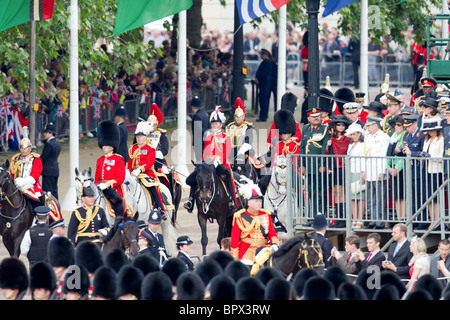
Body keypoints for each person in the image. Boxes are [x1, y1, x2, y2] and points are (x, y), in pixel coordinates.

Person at [184, 106, 237, 212]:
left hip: (220, 163)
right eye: (213, 124)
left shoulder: (226, 137)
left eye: (216, 124)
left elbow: (226, 153)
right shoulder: (208, 137)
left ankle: (232, 199)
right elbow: (205, 153)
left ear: (221, 125)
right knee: (196, 176)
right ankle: (191, 200)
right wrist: (203, 162)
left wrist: (218, 161)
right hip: (208, 164)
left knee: (228, 176)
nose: (214, 126)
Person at [230, 183, 279, 264]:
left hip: (264, 250)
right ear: (248, 202)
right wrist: (235, 258)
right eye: (256, 201)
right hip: (247, 251)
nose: (259, 203)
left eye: (260, 201)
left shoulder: (266, 215)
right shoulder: (239, 216)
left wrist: (274, 244)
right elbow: (234, 241)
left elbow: (272, 234)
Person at [128, 121, 167, 217]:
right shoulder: (132, 149)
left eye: (140, 136)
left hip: (147, 173)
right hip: (134, 173)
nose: (138, 138)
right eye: (137, 137)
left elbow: (149, 163)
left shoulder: (150, 148)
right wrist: (130, 173)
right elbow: (129, 164)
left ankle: (160, 209)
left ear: (145, 137)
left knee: (152, 186)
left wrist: (140, 170)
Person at [300, 107, 332, 220]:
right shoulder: (305, 129)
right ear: (308, 118)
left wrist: (322, 165)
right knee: (311, 191)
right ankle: (313, 216)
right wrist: (302, 165)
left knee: (320, 193)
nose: (316, 118)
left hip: (318, 166)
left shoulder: (325, 129)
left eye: (318, 116)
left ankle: (320, 216)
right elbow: (302, 148)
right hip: (308, 165)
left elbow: (324, 148)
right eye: (313, 117)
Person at [398, 114, 427, 229]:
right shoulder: (405, 135)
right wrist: (398, 151)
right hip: (408, 170)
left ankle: (422, 220)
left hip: (418, 170)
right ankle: (414, 219)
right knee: (411, 197)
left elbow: (423, 152)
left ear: (415, 124)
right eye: (406, 126)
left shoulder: (422, 136)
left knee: (420, 196)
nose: (407, 129)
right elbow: (403, 150)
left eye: (409, 126)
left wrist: (411, 153)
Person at [361, 117, 390, 229]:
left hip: (378, 172)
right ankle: (373, 219)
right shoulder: (368, 137)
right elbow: (364, 154)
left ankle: (380, 221)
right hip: (369, 171)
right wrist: (363, 170)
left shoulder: (384, 137)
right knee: (371, 198)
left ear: (375, 125)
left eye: (369, 125)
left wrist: (382, 172)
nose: (367, 128)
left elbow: (384, 155)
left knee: (379, 198)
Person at [94, 120, 126, 219]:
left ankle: (119, 223)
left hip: (113, 190)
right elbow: (96, 178)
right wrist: (97, 185)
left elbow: (120, 178)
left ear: (112, 147)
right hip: (100, 189)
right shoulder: (100, 160)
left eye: (106, 145)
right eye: (103, 145)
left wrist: (108, 184)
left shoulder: (118, 159)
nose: (104, 147)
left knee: (119, 204)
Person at [326, 115, 352, 228]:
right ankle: (338, 218)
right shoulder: (331, 139)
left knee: (342, 193)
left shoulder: (348, 139)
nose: (340, 126)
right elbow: (327, 153)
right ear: (335, 126)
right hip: (334, 168)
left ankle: (343, 218)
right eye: (338, 124)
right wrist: (327, 147)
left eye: (342, 124)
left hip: (343, 167)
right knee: (336, 192)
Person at [421, 118, 444, 228]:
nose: (429, 132)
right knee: (428, 197)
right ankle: (432, 220)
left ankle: (438, 220)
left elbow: (441, 157)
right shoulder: (426, 140)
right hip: (426, 169)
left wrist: (431, 157)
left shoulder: (441, 140)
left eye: (431, 130)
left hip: (436, 170)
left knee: (436, 197)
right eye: (428, 130)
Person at [386, 115, 407, 221]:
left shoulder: (404, 136)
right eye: (395, 125)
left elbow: (402, 157)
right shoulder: (393, 137)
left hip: (402, 169)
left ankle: (403, 217)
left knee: (402, 194)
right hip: (392, 169)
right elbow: (388, 154)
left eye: (399, 125)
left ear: (403, 126)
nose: (396, 127)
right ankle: (399, 217)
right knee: (396, 195)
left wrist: (396, 169)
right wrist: (388, 167)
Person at [225, 97, 256, 165]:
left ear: (243, 116)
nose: (238, 118)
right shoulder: (230, 127)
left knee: (258, 166)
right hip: (230, 152)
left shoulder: (248, 127)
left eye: (240, 116)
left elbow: (248, 143)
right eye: (236, 116)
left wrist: (240, 152)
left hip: (244, 152)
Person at [346, 123, 365, 228]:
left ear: (359, 134)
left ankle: (360, 219)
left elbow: (364, 159)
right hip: (351, 171)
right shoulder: (350, 145)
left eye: (355, 134)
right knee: (353, 197)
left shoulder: (363, 145)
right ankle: (354, 218)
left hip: (359, 171)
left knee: (360, 196)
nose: (353, 136)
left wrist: (363, 172)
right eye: (351, 135)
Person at [147, 103, 170, 179]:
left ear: (156, 125)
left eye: (153, 125)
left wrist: (152, 153)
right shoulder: (144, 134)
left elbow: (164, 150)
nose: (151, 127)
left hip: (157, 160)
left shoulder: (161, 134)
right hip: (144, 160)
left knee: (165, 174)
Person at [40, 122, 61, 199]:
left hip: (48, 171)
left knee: (47, 191)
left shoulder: (49, 144)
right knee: (54, 191)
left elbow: (43, 158)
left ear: (50, 133)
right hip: (55, 170)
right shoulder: (57, 144)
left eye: (46, 132)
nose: (44, 134)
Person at [191, 95, 211, 163]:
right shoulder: (204, 114)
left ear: (193, 106)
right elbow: (209, 127)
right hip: (205, 141)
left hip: (199, 142)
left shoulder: (196, 116)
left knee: (200, 161)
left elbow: (198, 129)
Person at [254, 49, 272, 122]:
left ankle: (263, 116)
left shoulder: (267, 63)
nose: (261, 56)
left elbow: (264, 74)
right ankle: (263, 115)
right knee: (262, 100)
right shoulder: (264, 63)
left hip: (265, 84)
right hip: (263, 84)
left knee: (264, 100)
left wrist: (258, 78)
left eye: (263, 54)